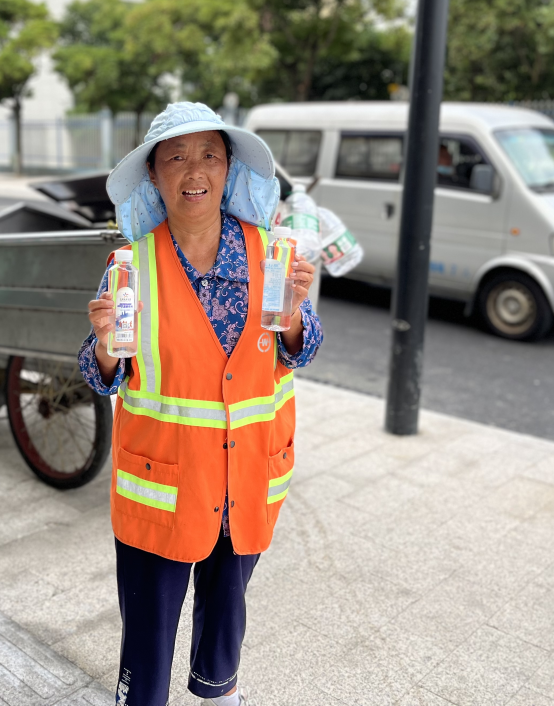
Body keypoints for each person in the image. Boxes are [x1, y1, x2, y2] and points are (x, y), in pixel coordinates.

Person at [79, 102, 323, 706]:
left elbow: (301, 349)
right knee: (148, 626)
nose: (195, 170)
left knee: (227, 611)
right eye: (176, 157)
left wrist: (295, 319)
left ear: (229, 168)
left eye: (210, 154)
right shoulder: (131, 266)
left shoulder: (271, 254)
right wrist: (105, 346)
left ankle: (219, 692)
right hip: (163, 488)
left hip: (247, 476)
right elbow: (103, 375)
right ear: (154, 175)